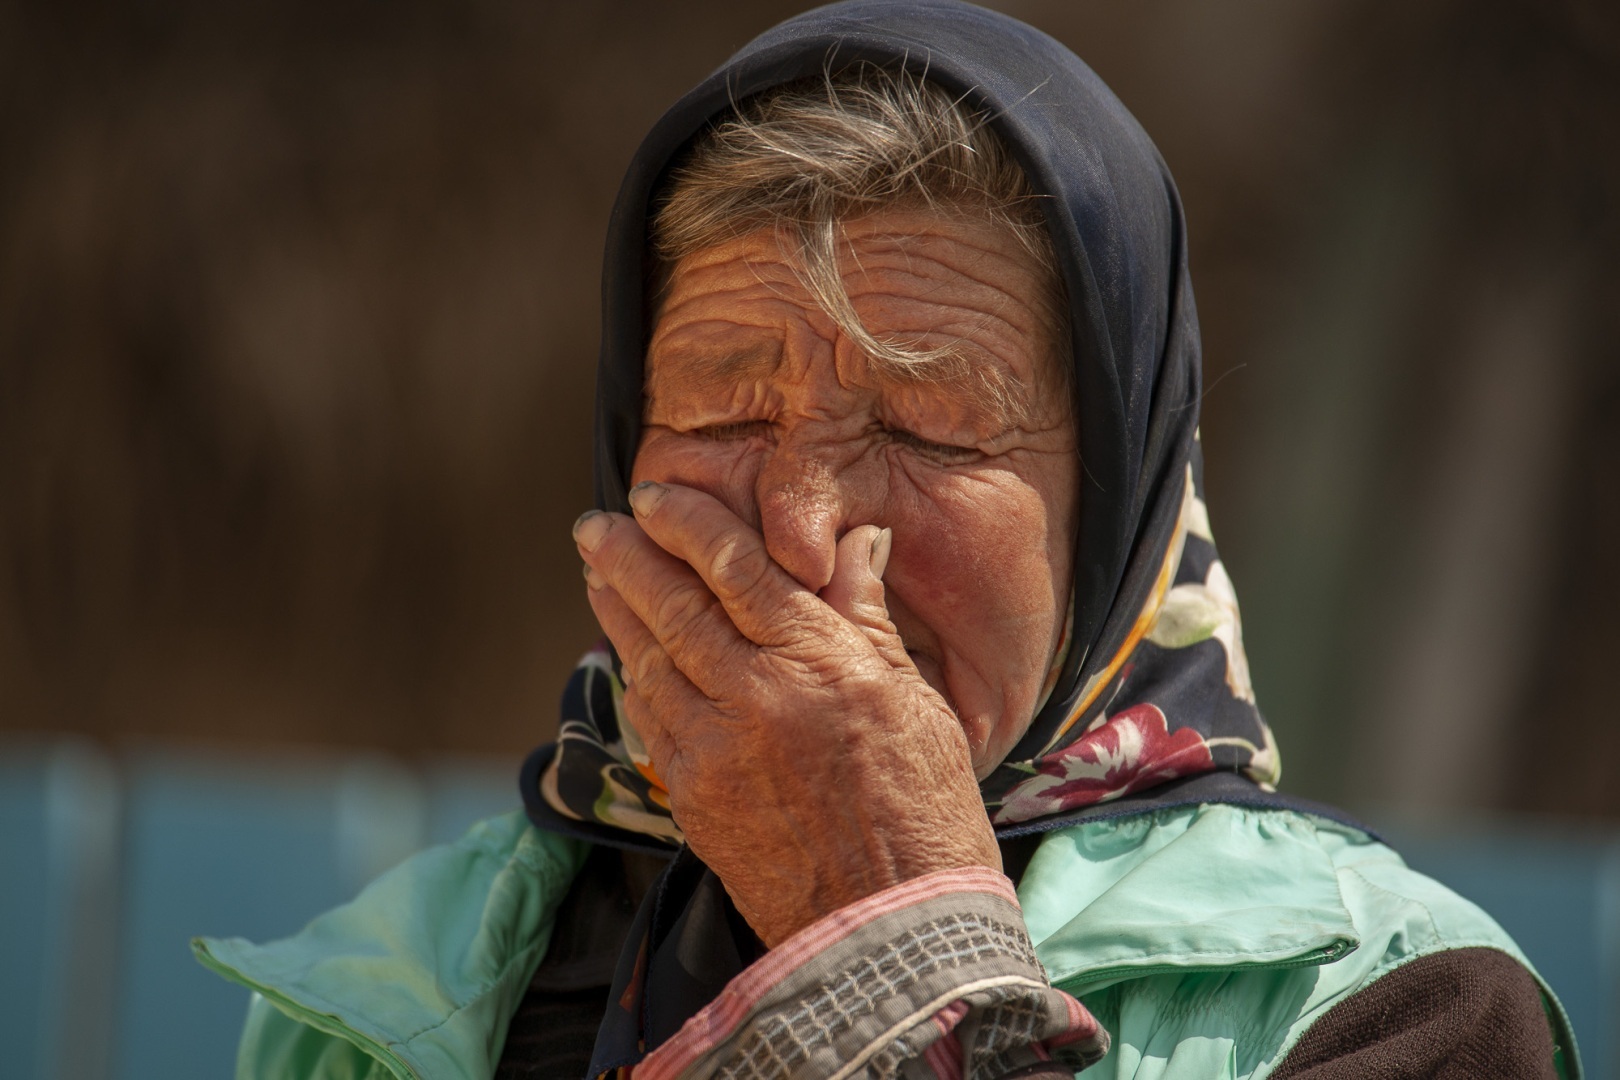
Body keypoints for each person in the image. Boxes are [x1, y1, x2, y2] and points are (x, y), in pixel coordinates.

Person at [194, 2, 1582, 1077]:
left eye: (928, 429)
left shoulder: (1398, 1005)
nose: (800, 535)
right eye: (726, 410)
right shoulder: (406, 985)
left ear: (1119, 521)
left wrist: (897, 953)